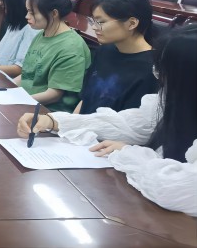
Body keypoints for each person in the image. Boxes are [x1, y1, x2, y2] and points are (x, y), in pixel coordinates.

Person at [17, 25, 197, 217]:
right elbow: (132, 124)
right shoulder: (177, 95)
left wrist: (128, 153)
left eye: (164, 71)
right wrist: (54, 121)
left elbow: (174, 189)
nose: (157, 74)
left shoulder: (182, 92)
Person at [76, 0, 158, 114]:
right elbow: (86, 99)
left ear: (131, 23)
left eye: (100, 22)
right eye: (93, 21)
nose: (94, 27)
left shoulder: (152, 70)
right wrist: (69, 122)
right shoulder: (104, 50)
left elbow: (131, 122)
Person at [16, 0, 91, 112]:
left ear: (54, 13)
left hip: (49, 111)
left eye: (32, 12)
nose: (27, 16)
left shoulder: (71, 47)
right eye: (27, 11)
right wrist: (6, 90)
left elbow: (54, 95)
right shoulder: (42, 34)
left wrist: (16, 101)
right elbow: (27, 75)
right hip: (27, 101)